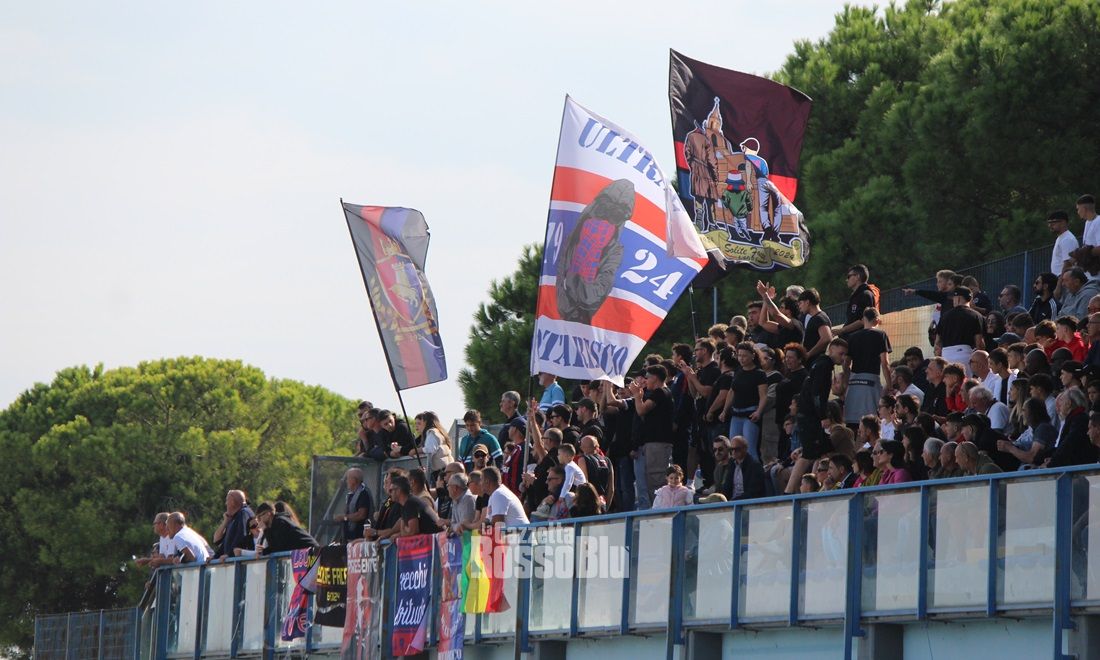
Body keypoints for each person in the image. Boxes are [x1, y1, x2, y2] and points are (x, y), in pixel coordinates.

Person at [786, 338, 848, 493]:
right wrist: (823, 416)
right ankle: (789, 490)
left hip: (808, 413)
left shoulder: (819, 363)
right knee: (808, 454)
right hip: (810, 415)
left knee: (823, 450)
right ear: (831, 349)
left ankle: (820, 485)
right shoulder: (824, 366)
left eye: (845, 355)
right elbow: (817, 393)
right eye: (841, 353)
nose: (843, 358)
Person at [843, 308, 892, 426]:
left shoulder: (852, 337)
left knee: (852, 421)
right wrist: (889, 386)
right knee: (872, 421)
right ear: (877, 320)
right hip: (871, 382)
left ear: (863, 319)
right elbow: (885, 363)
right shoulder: (881, 335)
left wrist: (847, 382)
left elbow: (846, 363)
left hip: (854, 382)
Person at [723, 341, 769, 461]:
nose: (741, 359)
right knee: (733, 448)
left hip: (750, 414)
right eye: (739, 355)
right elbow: (731, 392)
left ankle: (754, 471)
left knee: (749, 449)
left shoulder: (759, 374)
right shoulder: (738, 371)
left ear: (752, 356)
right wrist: (724, 410)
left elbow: (764, 396)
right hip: (736, 414)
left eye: (744, 356)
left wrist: (759, 412)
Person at [936, 286, 985, 375]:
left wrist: (939, 359)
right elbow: (979, 343)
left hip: (946, 355)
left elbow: (938, 342)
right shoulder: (976, 316)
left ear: (958, 299)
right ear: (970, 299)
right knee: (967, 382)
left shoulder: (944, 316)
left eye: (954, 298)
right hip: (965, 354)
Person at [997, 398, 1057, 468]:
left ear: (1033, 412)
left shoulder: (1043, 428)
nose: (1021, 414)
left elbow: (1032, 457)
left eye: (1024, 410)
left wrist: (1010, 448)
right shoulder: (1038, 429)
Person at [1045, 388, 1097, 468]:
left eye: (1061, 401)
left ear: (1068, 404)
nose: (1059, 405)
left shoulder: (1079, 420)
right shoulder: (1074, 419)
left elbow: (1068, 445)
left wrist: (1051, 463)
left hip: (1081, 469)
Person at [836, 264, 879, 337]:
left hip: (859, 339)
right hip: (852, 338)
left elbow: (864, 320)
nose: (847, 280)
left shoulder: (866, 295)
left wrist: (842, 330)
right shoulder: (856, 295)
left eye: (849, 276)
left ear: (857, 277)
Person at [211, 490, 254, 561]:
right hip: (233, 561)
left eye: (227, 501)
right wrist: (215, 557)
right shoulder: (234, 517)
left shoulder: (244, 513)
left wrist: (229, 554)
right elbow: (219, 541)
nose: (226, 504)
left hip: (242, 562)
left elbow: (241, 535)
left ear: (232, 502)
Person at [334, 468, 373, 542]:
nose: (346, 481)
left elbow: (361, 515)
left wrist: (344, 517)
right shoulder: (351, 495)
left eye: (348, 478)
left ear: (354, 480)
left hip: (359, 538)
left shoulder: (363, 493)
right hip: (348, 537)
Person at [723, 435, 766, 501]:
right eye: (731, 449)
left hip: (748, 503)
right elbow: (727, 487)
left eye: (737, 449)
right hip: (731, 502)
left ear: (745, 448)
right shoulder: (732, 465)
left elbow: (753, 492)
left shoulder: (755, 466)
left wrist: (734, 500)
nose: (733, 452)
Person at [798, 288, 833, 360]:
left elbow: (827, 338)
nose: (799, 306)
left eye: (800, 303)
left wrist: (809, 354)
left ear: (807, 302)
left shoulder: (819, 318)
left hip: (816, 360)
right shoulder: (816, 317)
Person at [415, 411, 454, 476]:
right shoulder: (440, 432)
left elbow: (430, 449)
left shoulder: (431, 433)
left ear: (426, 422)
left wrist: (417, 450)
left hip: (440, 471)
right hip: (448, 467)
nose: (422, 423)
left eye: (422, 421)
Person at [1048, 210, 1079, 275]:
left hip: (1064, 278)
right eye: (1049, 223)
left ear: (1063, 222)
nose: (1050, 225)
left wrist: (1060, 281)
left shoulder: (1067, 239)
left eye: (1053, 222)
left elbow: (1068, 264)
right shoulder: (1061, 238)